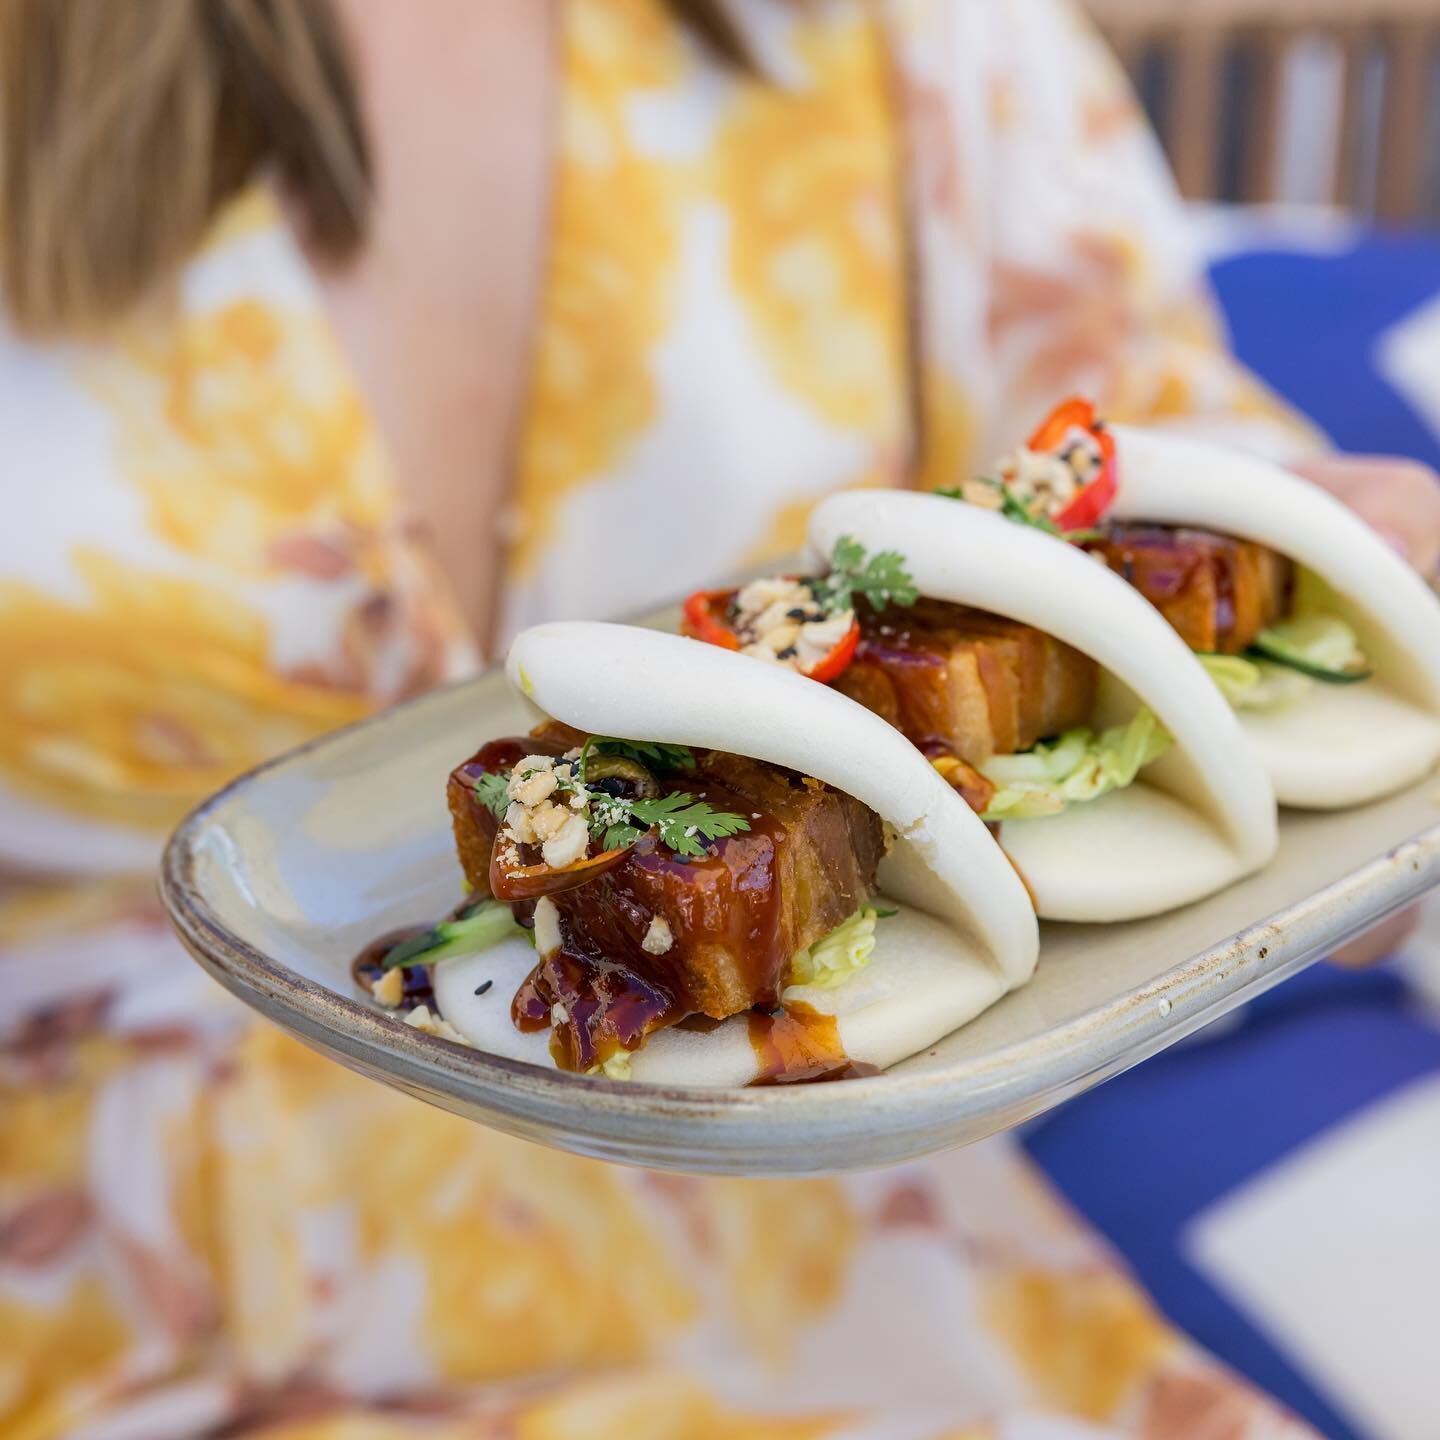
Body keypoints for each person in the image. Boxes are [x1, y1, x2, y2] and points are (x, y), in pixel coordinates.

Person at [0, 2, 1435, 1436]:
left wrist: (1362, 604)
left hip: (799, 1210)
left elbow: (1135, 457)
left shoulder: (919, 34)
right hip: (92, 1240)